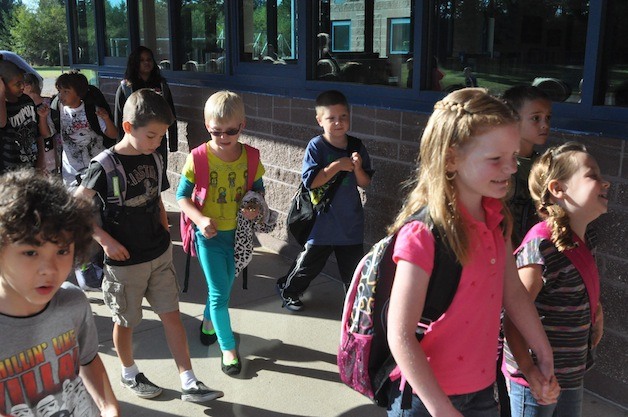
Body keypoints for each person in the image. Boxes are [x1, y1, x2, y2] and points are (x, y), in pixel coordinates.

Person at [385, 88, 558, 417]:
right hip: (427, 398)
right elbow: (400, 333)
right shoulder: (423, 235)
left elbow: (514, 294)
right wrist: (441, 409)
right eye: (495, 159)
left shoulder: (497, 221)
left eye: (513, 156)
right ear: (451, 158)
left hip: (482, 391)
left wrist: (543, 355)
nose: (509, 168)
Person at [75, 89, 224, 402]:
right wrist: (103, 239)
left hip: (158, 254)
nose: (158, 143)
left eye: (161, 136)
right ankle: (129, 372)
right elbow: (74, 207)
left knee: (172, 315)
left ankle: (189, 380)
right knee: (126, 321)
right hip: (124, 262)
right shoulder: (103, 165)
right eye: (152, 136)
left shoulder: (154, 157)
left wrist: (163, 225)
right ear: (128, 127)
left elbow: (156, 196)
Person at [0, 168, 119, 417]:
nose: (50, 269)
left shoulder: (73, 303)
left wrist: (109, 407)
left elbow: (88, 359)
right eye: (31, 252)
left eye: (62, 251)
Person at [502, 142, 608, 417]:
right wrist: (530, 371)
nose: (605, 183)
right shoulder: (540, 245)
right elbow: (513, 317)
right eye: (592, 175)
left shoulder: (587, 238)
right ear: (558, 189)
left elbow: (580, 285)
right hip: (537, 380)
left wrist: (595, 310)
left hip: (572, 373)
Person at [177, 90, 265, 376]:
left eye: (231, 130)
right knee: (219, 294)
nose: (224, 136)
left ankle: (207, 321)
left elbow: (259, 192)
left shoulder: (251, 157)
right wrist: (200, 220)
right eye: (217, 131)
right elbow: (182, 197)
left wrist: (254, 206)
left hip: (238, 236)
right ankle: (228, 349)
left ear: (243, 125)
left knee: (224, 289)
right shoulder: (198, 157)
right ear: (206, 125)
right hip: (209, 237)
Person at [276, 89, 373, 311]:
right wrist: (337, 165)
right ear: (320, 120)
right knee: (309, 265)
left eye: (343, 117)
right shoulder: (316, 147)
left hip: (350, 222)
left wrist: (357, 168)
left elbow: (364, 182)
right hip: (323, 222)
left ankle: (355, 305)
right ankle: (288, 289)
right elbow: (311, 182)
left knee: (353, 269)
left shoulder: (357, 146)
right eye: (331, 118)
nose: (338, 122)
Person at [503, 85, 552, 247]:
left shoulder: (545, 165)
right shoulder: (500, 167)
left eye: (548, 118)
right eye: (536, 118)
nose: (545, 124)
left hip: (536, 253)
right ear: (513, 119)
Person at [114, 46, 177, 171]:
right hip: (134, 141)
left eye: (149, 59)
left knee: (156, 176)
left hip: (157, 141)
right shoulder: (126, 87)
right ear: (135, 63)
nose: (146, 63)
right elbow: (119, 118)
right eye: (142, 60)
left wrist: (173, 143)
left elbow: (171, 115)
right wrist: (120, 145)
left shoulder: (161, 86)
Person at [0, 60, 49, 174]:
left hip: (33, 168)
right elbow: (1, 123)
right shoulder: (3, 107)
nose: (22, 86)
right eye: (17, 84)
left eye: (23, 82)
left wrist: (41, 161)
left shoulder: (27, 100)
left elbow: (38, 135)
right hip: (10, 175)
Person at [23, 72, 58, 174]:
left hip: (49, 155)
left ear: (28, 87)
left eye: (20, 85)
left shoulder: (48, 105)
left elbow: (48, 133)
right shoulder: (22, 107)